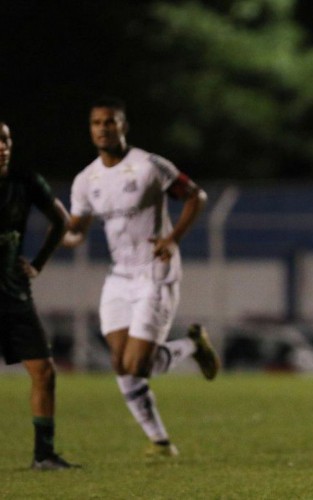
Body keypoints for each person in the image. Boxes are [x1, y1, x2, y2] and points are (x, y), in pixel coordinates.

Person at [62, 97, 220, 457]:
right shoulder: (86, 180)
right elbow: (77, 232)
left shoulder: (149, 165)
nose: (103, 128)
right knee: (121, 364)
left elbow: (196, 196)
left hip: (155, 273)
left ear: (123, 126)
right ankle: (161, 443)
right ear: (91, 130)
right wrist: (62, 236)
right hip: (118, 277)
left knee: (137, 364)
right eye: (97, 123)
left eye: (110, 122)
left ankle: (194, 345)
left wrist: (172, 238)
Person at [0, 121, 80, 470]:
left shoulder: (26, 182)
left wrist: (38, 264)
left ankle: (44, 455)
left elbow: (61, 220)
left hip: (14, 294)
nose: (1, 147)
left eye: (4, 139)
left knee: (45, 372)